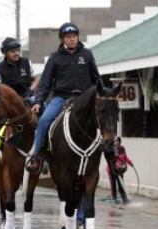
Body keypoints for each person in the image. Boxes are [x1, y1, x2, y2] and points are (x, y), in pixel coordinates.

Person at [26, 22, 100, 173]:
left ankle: (112, 153)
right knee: (44, 121)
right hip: (61, 98)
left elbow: (96, 79)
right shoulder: (54, 58)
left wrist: (104, 94)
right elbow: (45, 83)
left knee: (104, 117)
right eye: (68, 37)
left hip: (84, 98)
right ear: (62, 39)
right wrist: (39, 102)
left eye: (74, 36)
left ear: (77, 37)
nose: (72, 39)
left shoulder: (87, 54)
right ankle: (37, 155)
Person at [107, 137, 134, 204]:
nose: (116, 143)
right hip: (111, 170)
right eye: (115, 141)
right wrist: (116, 165)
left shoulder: (122, 149)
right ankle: (114, 198)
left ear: (120, 142)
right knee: (113, 185)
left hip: (119, 170)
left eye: (118, 141)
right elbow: (111, 160)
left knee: (121, 185)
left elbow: (125, 158)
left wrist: (131, 163)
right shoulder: (111, 150)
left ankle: (124, 199)